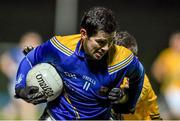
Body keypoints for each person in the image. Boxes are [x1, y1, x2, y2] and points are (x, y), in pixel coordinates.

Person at [14, 7, 145, 120]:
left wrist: (127, 101)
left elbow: (139, 74)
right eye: (101, 42)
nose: (106, 48)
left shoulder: (123, 59)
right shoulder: (61, 47)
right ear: (84, 34)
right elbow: (30, 59)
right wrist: (20, 88)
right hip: (58, 117)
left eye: (110, 42)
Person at [111, 31, 161, 120]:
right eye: (116, 57)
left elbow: (129, 99)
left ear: (135, 60)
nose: (120, 63)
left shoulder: (142, 81)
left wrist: (120, 95)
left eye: (125, 59)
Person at [0, 32, 42, 119]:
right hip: (20, 86)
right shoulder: (18, 53)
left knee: (11, 112)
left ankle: (10, 110)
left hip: (32, 86)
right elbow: (3, 60)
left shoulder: (40, 57)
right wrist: (10, 71)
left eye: (35, 43)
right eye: (29, 42)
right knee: (28, 108)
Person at [152, 31, 180, 119]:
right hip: (170, 90)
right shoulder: (166, 55)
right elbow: (156, 70)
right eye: (175, 41)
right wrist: (161, 75)